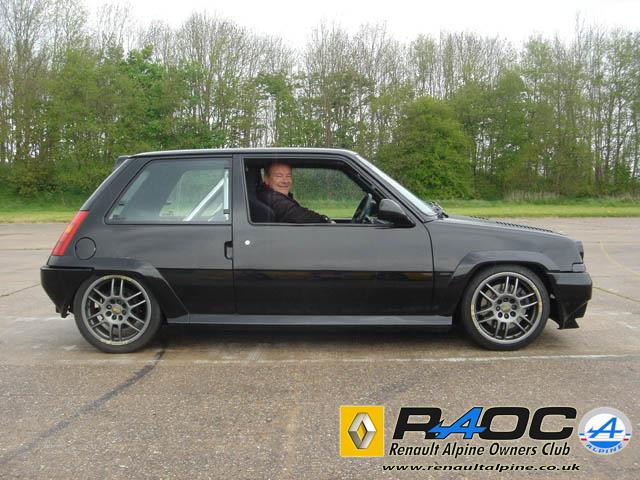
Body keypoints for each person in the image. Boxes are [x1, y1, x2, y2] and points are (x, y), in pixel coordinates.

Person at [256, 162, 332, 223]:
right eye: (279, 176)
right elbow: (297, 214)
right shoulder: (270, 197)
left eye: (288, 176)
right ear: (266, 179)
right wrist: (325, 220)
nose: (285, 181)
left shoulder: (275, 196)